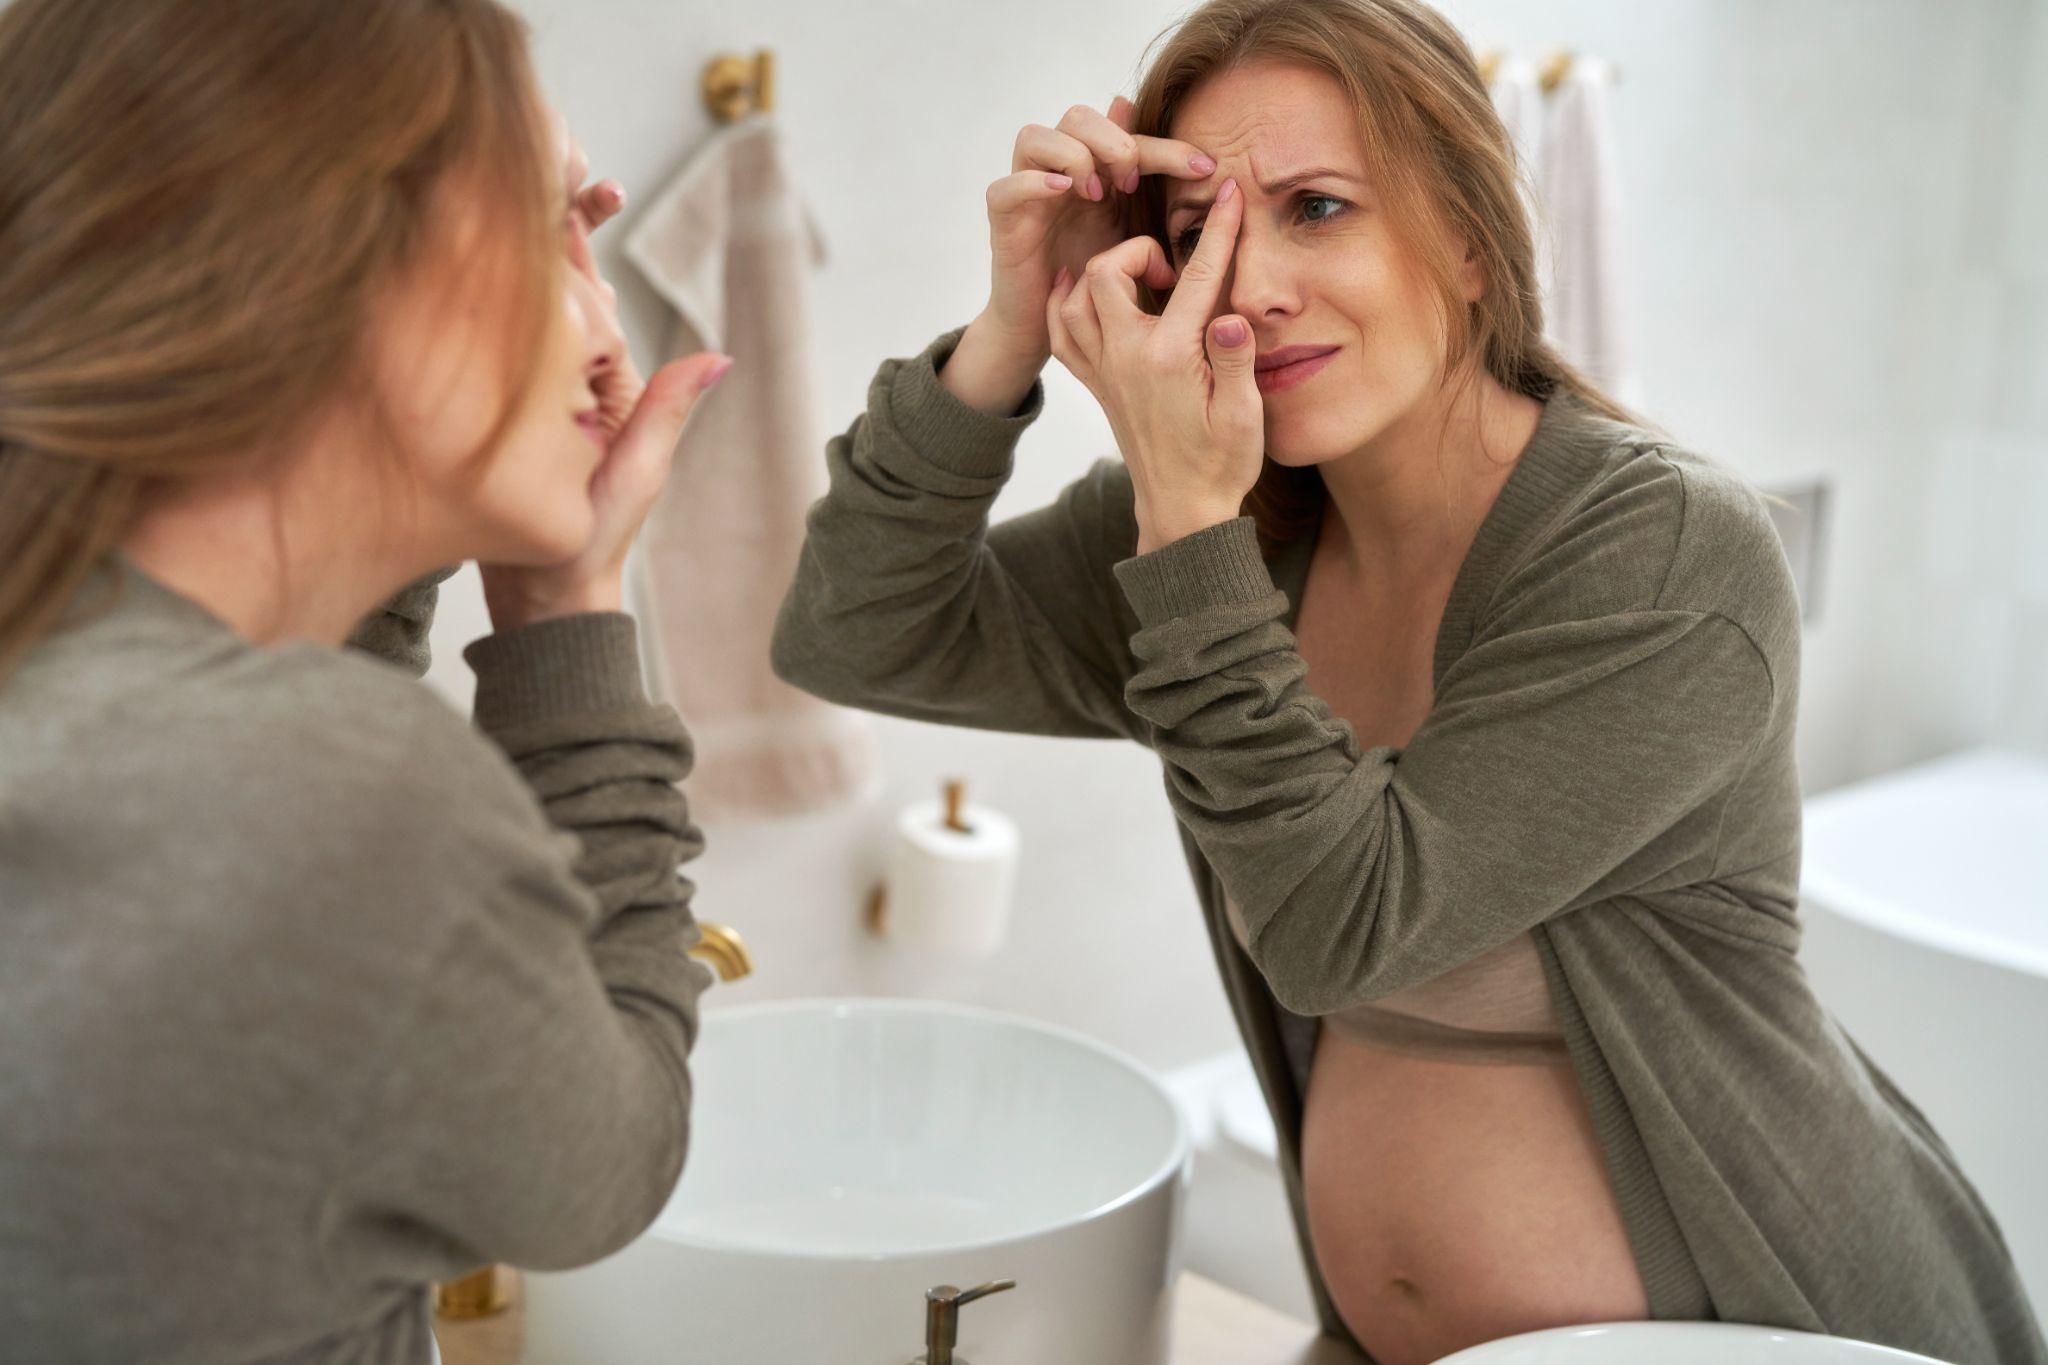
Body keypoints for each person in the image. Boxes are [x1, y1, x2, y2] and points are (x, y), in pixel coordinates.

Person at [770, 1, 2046, 1361]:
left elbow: (1343, 927)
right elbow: (853, 631)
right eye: (1202, 236)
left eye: (1318, 207)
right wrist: (1005, 334)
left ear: (1476, 244)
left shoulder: (1658, 551)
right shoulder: (1231, 528)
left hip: (1770, 1336)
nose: (1247, 290)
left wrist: (1187, 528)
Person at [0, 1, 730, 1360]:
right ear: (325, 260)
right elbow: (604, 1165)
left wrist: (418, 515)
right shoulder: (331, 796)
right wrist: (569, 611)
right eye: (541, 231)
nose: (601, 308)